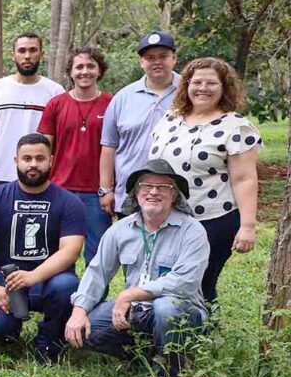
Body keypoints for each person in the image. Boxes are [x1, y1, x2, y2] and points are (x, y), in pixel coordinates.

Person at [66, 159, 210, 377]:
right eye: (146, 186)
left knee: (166, 307)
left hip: (181, 310)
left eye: (163, 187)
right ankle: (146, 355)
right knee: (87, 328)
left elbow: (185, 283)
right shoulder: (120, 230)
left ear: (175, 196)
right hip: (136, 311)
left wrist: (131, 293)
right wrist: (79, 310)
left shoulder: (193, 231)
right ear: (136, 192)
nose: (153, 192)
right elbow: (97, 272)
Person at [147, 57, 261, 304]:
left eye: (211, 83)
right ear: (186, 85)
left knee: (199, 284)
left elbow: (245, 179)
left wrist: (248, 226)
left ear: (224, 88)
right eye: (196, 82)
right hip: (167, 218)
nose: (203, 88)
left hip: (212, 220)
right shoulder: (170, 119)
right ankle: (161, 333)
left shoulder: (236, 127)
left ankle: (202, 336)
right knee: (163, 279)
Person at [0, 134, 85, 362]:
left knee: (68, 285)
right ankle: (9, 332)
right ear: (16, 160)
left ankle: (50, 341)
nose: (33, 164)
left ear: (51, 160)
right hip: (5, 281)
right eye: (27, 158)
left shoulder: (69, 202)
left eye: (40, 158)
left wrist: (33, 276)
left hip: (49, 280)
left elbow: (71, 250)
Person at [38, 47, 114, 265]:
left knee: (97, 255)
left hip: (96, 193)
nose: (85, 71)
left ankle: (93, 299)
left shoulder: (111, 104)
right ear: (70, 71)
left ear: (100, 70)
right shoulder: (57, 103)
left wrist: (108, 188)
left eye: (91, 66)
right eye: (79, 66)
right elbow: (44, 146)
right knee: (58, 252)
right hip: (60, 189)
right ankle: (60, 297)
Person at [99, 30, 180, 218]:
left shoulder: (190, 92)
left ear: (174, 58)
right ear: (142, 62)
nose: (157, 61)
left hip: (176, 193)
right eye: (150, 57)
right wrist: (105, 189)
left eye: (163, 56)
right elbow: (109, 146)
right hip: (131, 192)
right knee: (132, 247)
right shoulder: (123, 97)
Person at [0, 33, 65, 186]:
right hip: (0, 173)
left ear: (41, 54)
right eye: (22, 51)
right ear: (13, 55)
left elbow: (59, 140)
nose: (27, 56)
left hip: (40, 175)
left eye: (33, 50)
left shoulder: (55, 91)